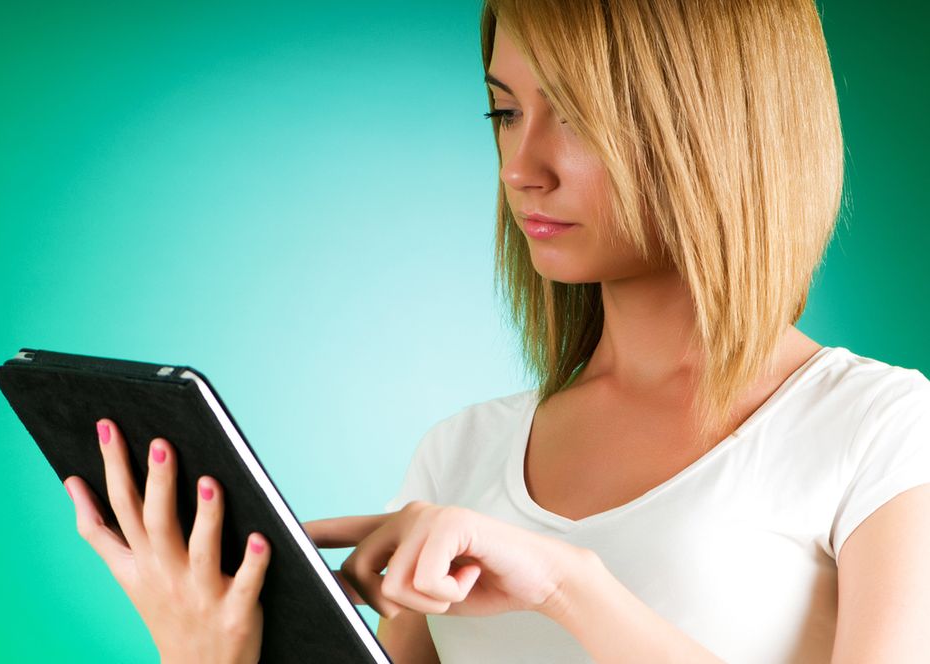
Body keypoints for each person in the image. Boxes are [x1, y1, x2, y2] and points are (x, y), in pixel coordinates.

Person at [64, 1, 930, 662]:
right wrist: (210, 648)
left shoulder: (881, 430)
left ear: (717, 133)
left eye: (580, 116)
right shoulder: (460, 455)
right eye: (505, 112)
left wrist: (565, 582)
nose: (523, 167)